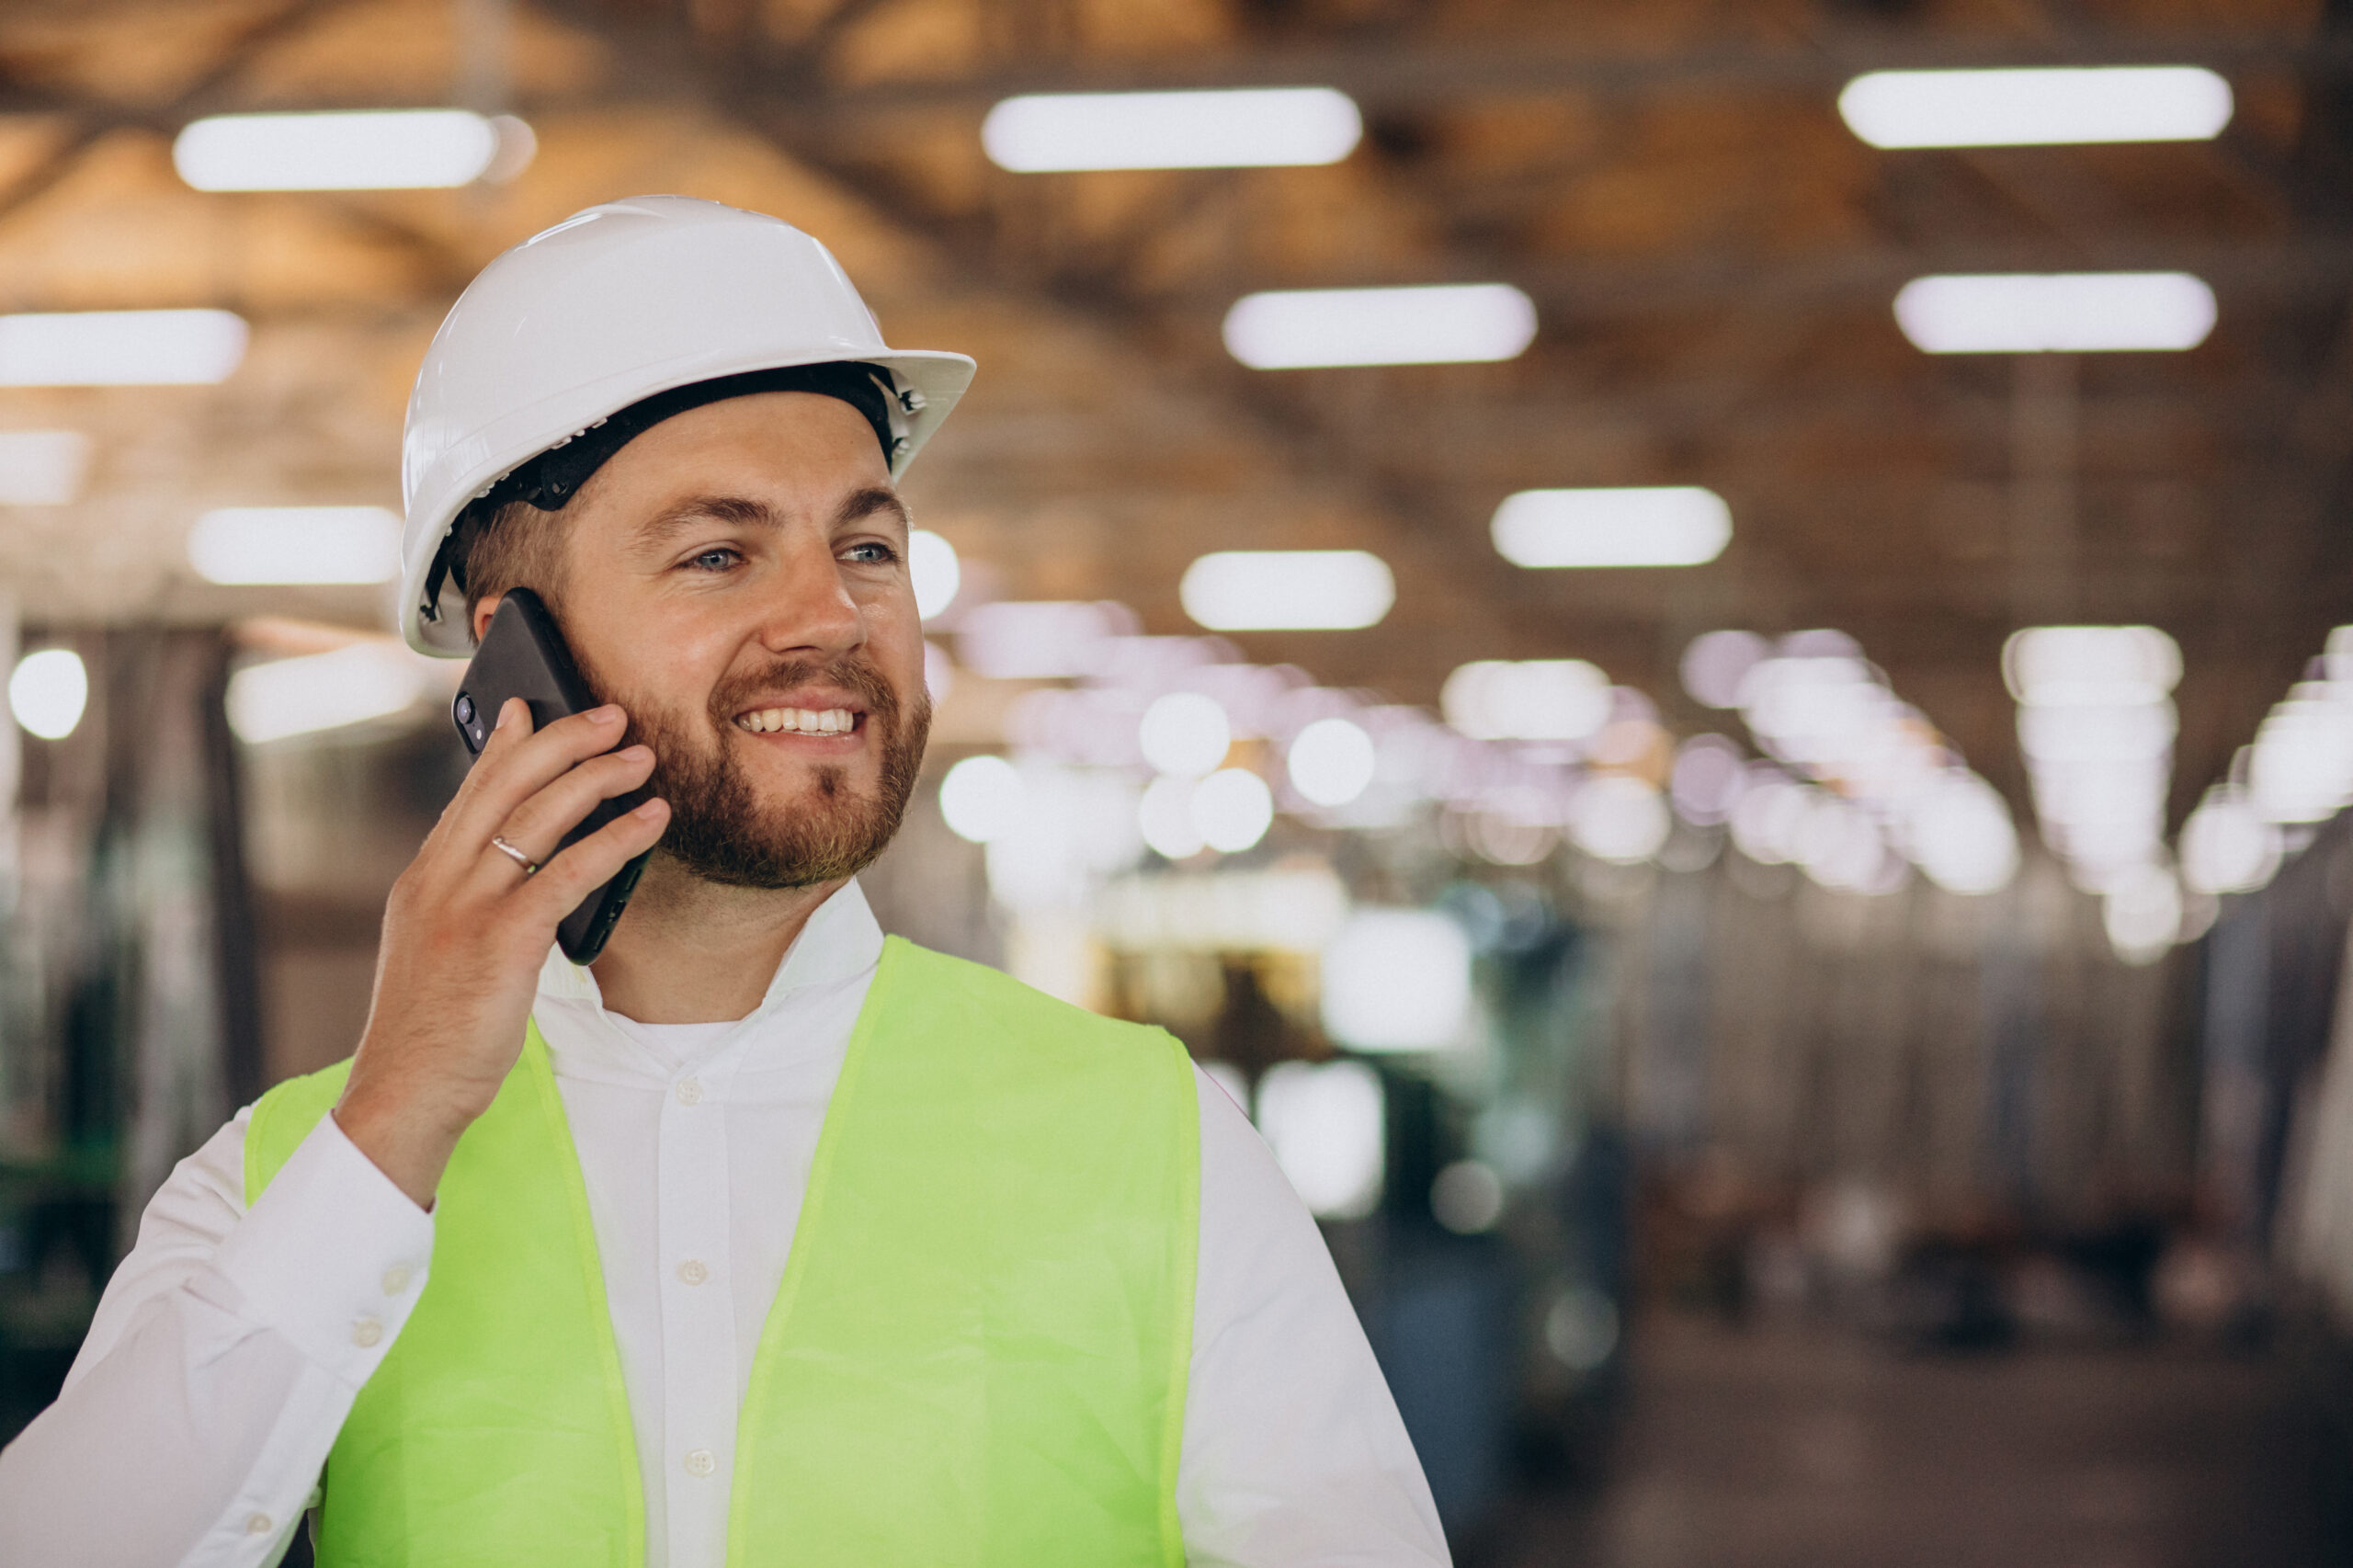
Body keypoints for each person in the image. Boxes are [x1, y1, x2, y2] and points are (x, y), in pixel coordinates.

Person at [0, 196, 1448, 1568]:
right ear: (518, 658)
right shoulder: (291, 1176)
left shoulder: (1163, 1150)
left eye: (868, 545)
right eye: (718, 551)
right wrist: (395, 1123)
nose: (832, 613)